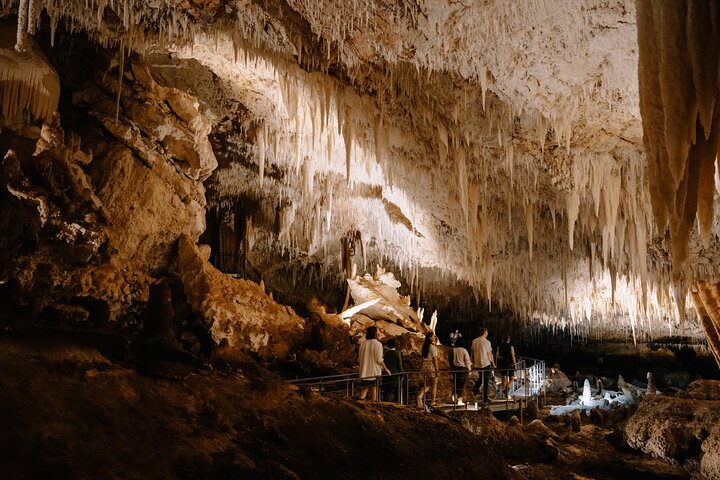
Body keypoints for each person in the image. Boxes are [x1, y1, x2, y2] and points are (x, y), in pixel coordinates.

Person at [358, 326, 391, 400]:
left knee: (364, 390)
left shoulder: (362, 344)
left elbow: (359, 359)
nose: (379, 332)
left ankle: (358, 404)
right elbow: (379, 360)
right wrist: (386, 369)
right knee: (374, 390)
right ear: (375, 333)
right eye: (378, 331)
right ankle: (373, 407)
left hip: (364, 372)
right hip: (374, 372)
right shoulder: (378, 344)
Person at [471, 327, 495, 402]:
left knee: (481, 378)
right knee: (485, 381)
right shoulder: (487, 342)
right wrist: (493, 363)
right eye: (487, 332)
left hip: (478, 363)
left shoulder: (474, 341)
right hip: (485, 363)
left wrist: (473, 361)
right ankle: (484, 398)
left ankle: (474, 390)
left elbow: (472, 352)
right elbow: (489, 354)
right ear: (485, 332)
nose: (487, 333)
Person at [417, 331, 439, 407]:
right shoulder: (433, 348)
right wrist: (437, 370)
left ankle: (420, 396)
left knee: (428, 385)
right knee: (434, 385)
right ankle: (433, 402)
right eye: (433, 336)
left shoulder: (424, 347)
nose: (434, 337)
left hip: (424, 366)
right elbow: (435, 359)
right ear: (430, 338)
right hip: (431, 367)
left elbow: (421, 359)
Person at [452, 337, 473, 405]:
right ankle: (459, 400)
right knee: (462, 384)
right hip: (462, 369)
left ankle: (453, 396)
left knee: (456, 383)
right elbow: (467, 360)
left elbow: (450, 358)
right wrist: (469, 370)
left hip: (454, 368)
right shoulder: (464, 350)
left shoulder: (453, 350)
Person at [495, 334, 517, 399]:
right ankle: (506, 391)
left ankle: (505, 395)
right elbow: (513, 356)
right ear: (508, 339)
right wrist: (515, 365)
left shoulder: (499, 346)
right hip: (509, 364)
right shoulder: (511, 347)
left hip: (502, 364)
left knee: (504, 378)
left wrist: (496, 364)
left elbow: (497, 356)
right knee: (512, 378)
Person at [382, 338, 404, 402]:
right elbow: (399, 365)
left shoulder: (385, 353)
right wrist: (402, 374)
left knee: (387, 391)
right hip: (395, 375)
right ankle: (397, 404)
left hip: (387, 374)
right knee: (397, 392)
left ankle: (386, 404)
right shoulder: (397, 353)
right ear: (395, 345)